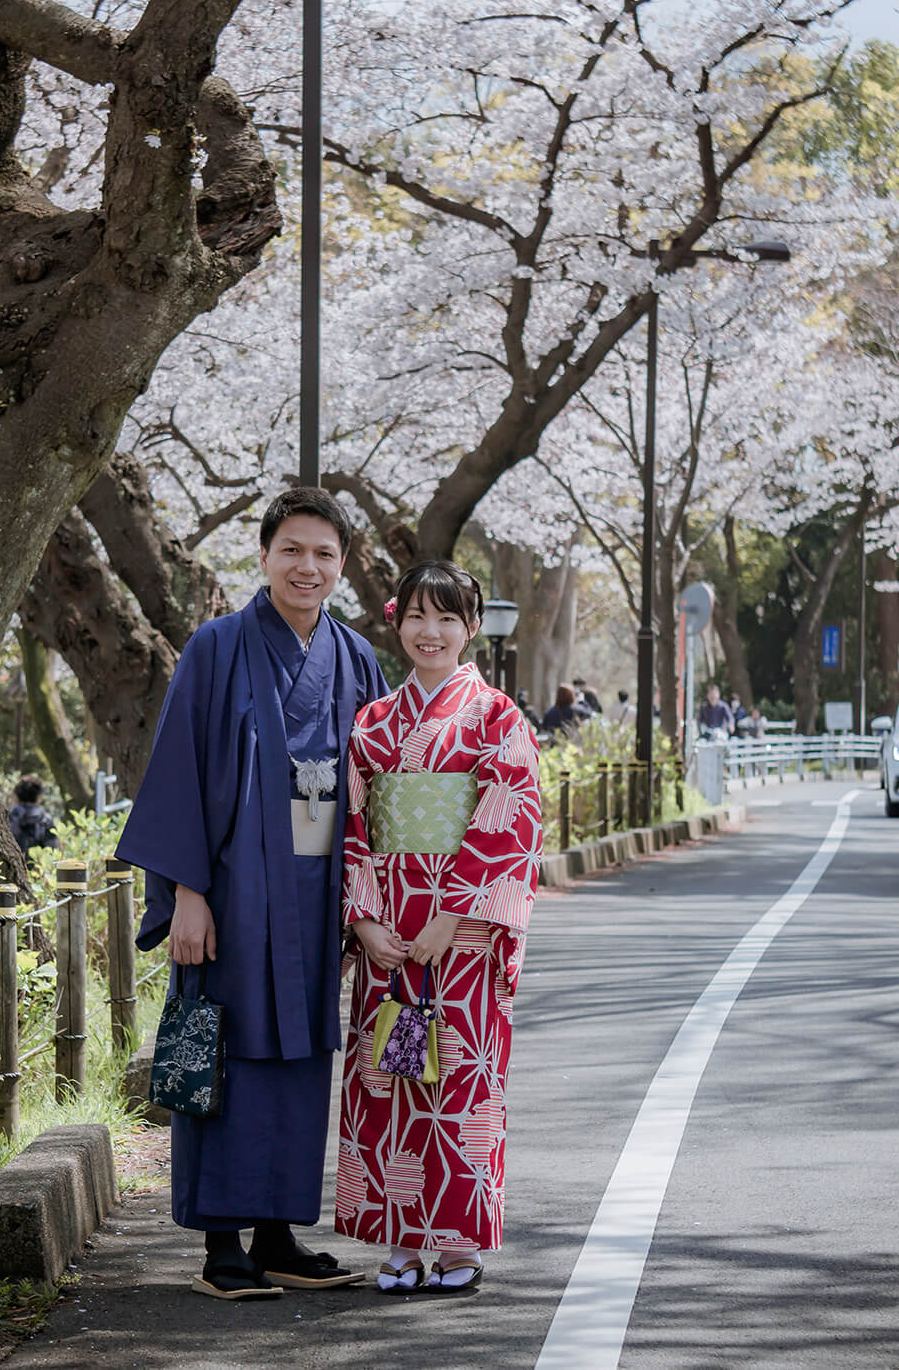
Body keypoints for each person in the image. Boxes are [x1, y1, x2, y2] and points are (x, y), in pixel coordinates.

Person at [116, 487, 386, 1300]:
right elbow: (175, 776)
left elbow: (381, 788)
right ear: (263, 555)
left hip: (316, 896)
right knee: (225, 1052)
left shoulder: (357, 657)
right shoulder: (216, 647)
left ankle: (277, 1234)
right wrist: (186, 892)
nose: (308, 566)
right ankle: (221, 1243)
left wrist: (370, 904)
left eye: (325, 554)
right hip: (232, 896)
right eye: (293, 550)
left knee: (300, 1059)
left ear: (342, 566)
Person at [335, 561, 542, 1296]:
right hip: (388, 935)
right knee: (387, 1076)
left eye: (447, 618)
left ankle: (455, 1242)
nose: (431, 632)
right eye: (418, 617)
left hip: (463, 940)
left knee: (457, 1081)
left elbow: (510, 821)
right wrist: (362, 920)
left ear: (471, 627)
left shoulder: (496, 718)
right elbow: (351, 826)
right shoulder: (370, 723)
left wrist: (453, 915)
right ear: (397, 624)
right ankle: (396, 1241)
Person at [7, 775, 55, 857]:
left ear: (17, 796)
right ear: (38, 797)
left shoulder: (8, 816)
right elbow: (52, 851)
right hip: (38, 867)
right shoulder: (45, 819)